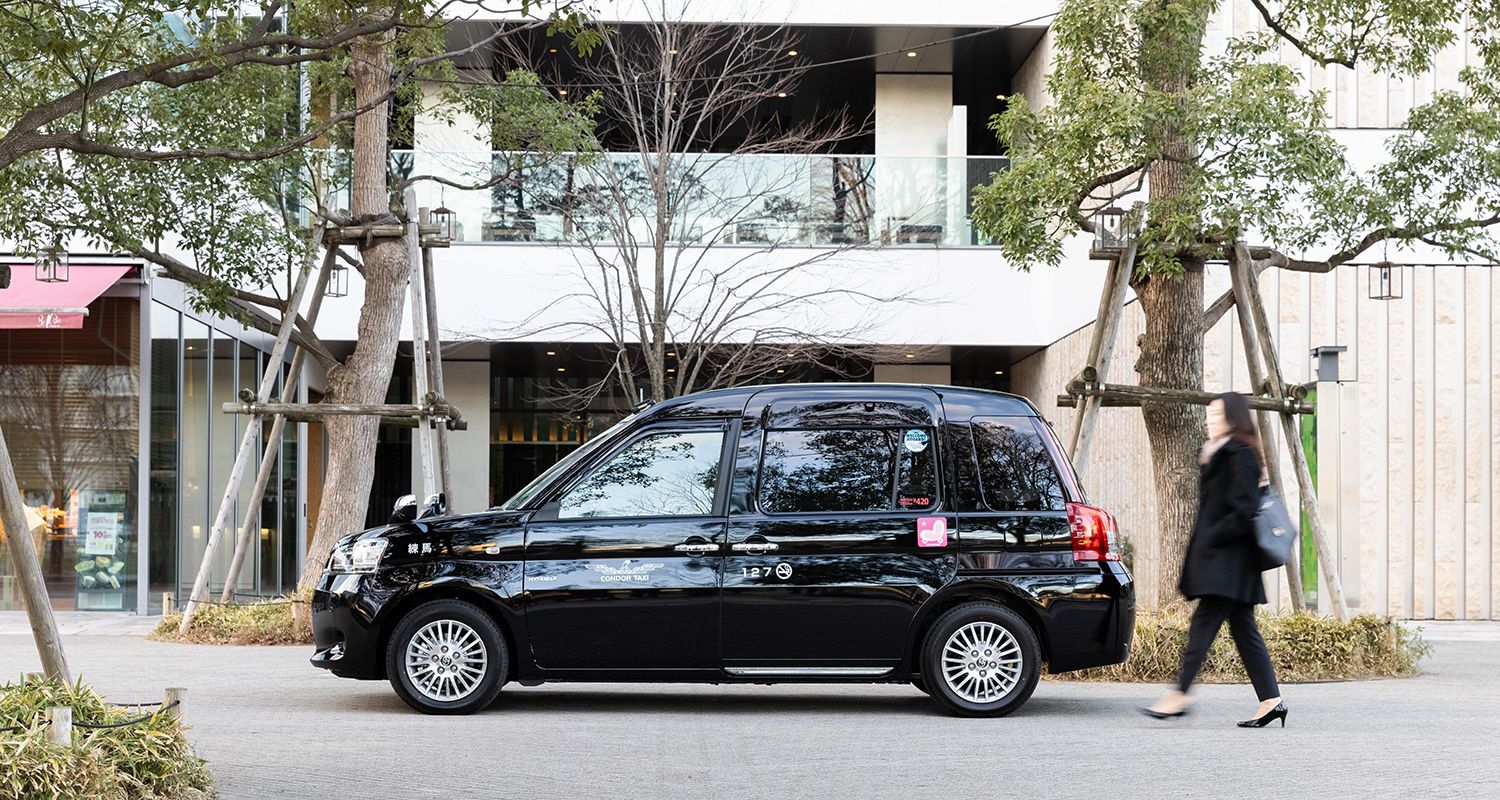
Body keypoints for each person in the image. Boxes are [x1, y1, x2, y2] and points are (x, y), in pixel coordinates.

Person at [1141, 392, 1287, 728]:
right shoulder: (1220, 452)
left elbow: (1245, 510)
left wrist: (1213, 537)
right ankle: (1271, 699)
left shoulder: (1242, 454)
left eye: (1216, 413)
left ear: (1233, 418)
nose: (1209, 419)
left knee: (1203, 626)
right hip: (1227, 561)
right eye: (1208, 414)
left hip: (1230, 561)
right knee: (1244, 630)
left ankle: (1179, 694)